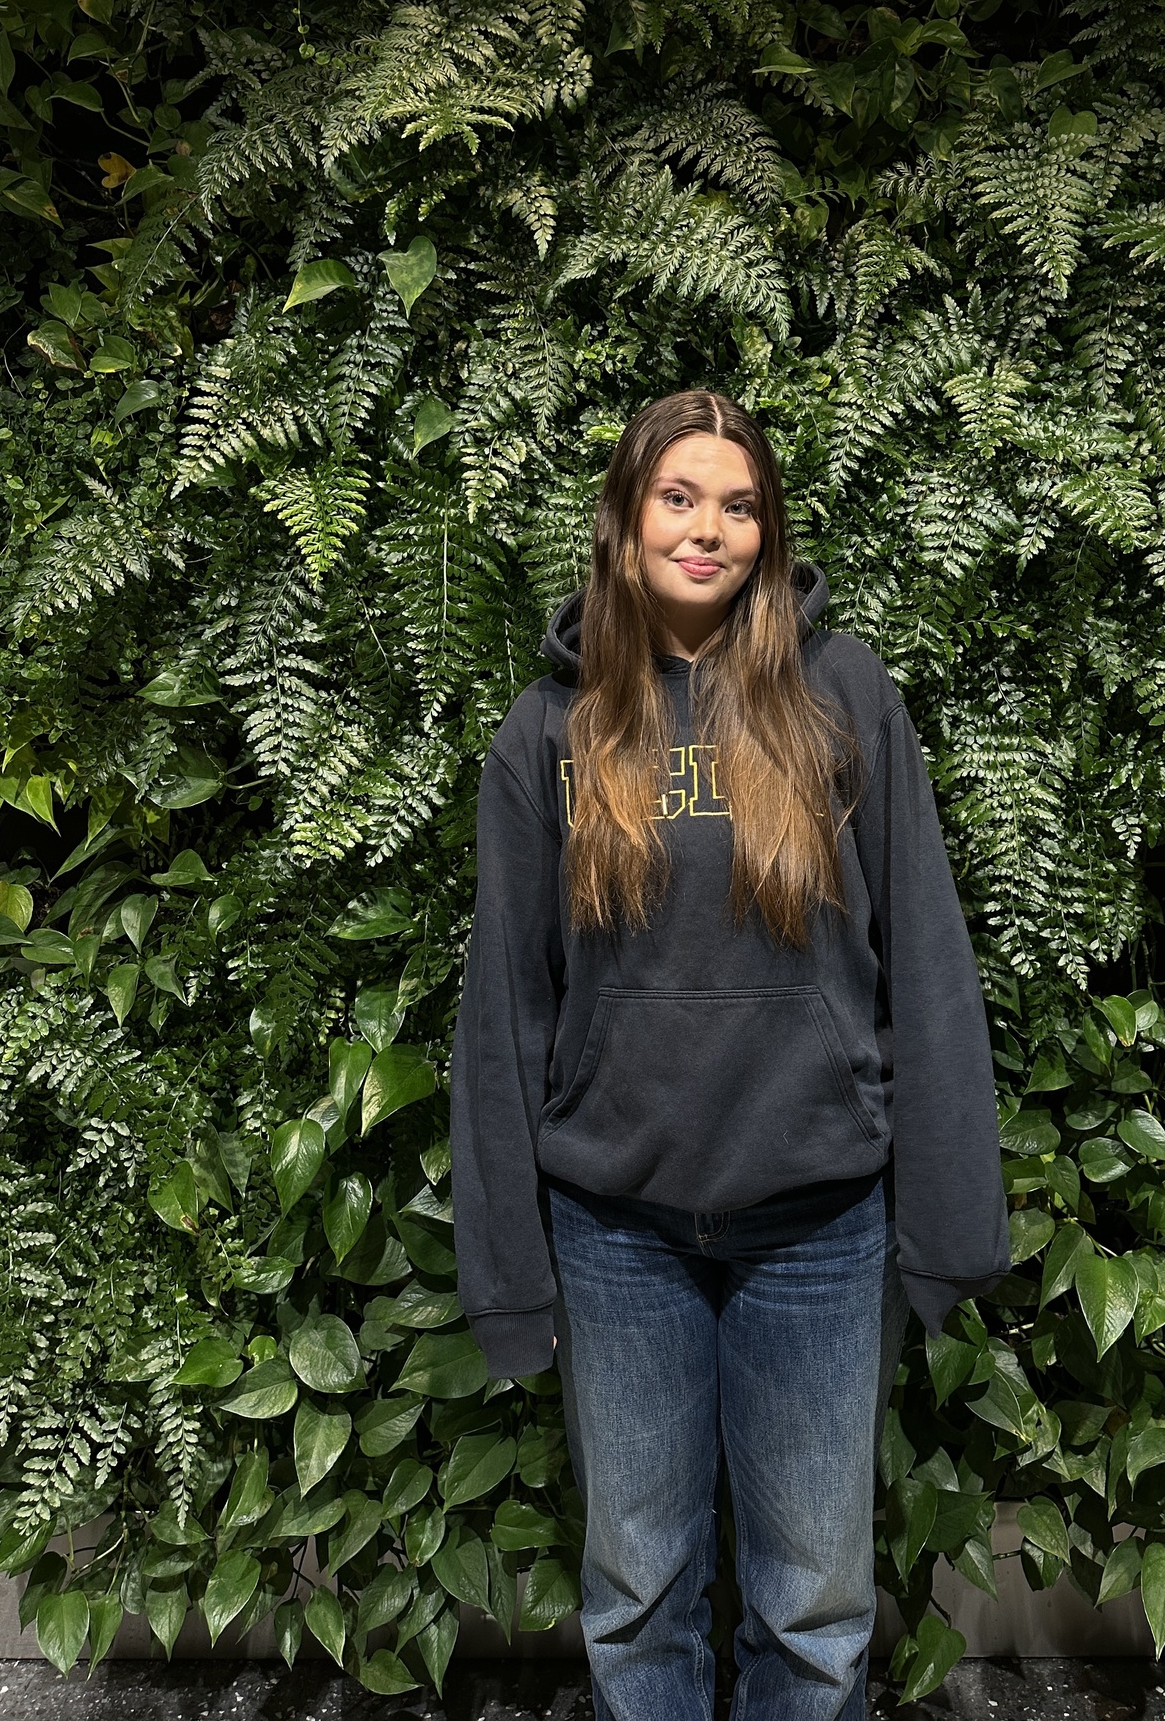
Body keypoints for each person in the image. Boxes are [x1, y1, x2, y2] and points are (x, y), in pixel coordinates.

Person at [450, 389, 1009, 1721]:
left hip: (818, 1225)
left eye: (740, 505)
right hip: (617, 1231)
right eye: (680, 497)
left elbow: (924, 958)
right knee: (636, 1600)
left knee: (813, 1613)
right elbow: (505, 1013)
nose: (710, 529)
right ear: (626, 517)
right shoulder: (552, 728)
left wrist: (950, 1226)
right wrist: (506, 1274)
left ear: (769, 530)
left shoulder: (841, 693)